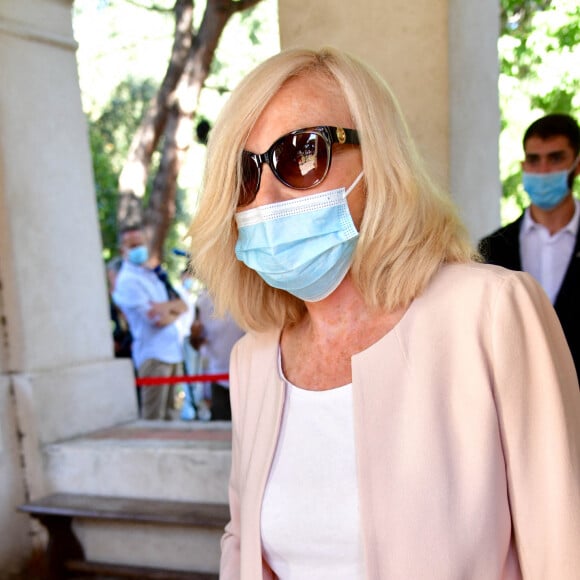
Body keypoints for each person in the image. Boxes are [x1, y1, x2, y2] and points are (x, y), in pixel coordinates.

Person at [187, 47, 580, 579]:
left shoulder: (490, 312)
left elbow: (562, 546)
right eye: (245, 172)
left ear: (381, 158)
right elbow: (244, 539)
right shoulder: (252, 358)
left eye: (304, 154)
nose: (268, 197)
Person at [479, 113, 580, 379]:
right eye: (534, 160)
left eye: (556, 158)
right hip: (519, 391)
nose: (543, 170)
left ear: (576, 165)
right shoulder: (493, 248)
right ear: (524, 165)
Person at [113, 225, 188, 420]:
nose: (139, 248)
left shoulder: (152, 274)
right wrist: (172, 309)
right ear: (123, 250)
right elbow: (158, 319)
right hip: (153, 356)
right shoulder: (127, 281)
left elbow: (183, 305)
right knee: (154, 418)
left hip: (172, 353)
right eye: (133, 245)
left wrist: (167, 307)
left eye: (141, 243)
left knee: (173, 414)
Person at [188, 289, 245, 421]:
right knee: (221, 425)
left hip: (247, 377)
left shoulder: (247, 294)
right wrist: (195, 335)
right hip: (217, 377)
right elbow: (195, 343)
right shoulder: (203, 301)